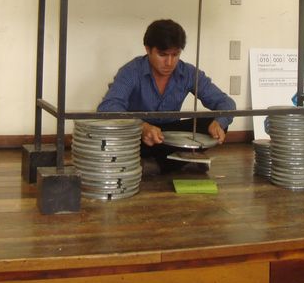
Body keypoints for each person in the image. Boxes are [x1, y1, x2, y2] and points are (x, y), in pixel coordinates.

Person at [97, 18, 235, 171]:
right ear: (148, 49)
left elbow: (226, 103)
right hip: (139, 137)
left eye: (175, 54)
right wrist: (141, 127)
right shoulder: (131, 71)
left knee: (214, 122)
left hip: (169, 137)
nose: (169, 62)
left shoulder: (188, 72)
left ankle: (155, 164)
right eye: (162, 55)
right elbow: (108, 107)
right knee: (112, 136)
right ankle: (177, 161)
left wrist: (218, 123)